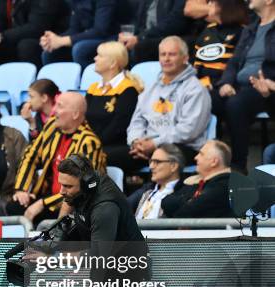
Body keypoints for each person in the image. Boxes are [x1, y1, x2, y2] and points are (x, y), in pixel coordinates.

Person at [53, 154, 148, 287]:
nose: (61, 191)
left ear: (86, 182)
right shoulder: (88, 193)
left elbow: (99, 257)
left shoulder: (105, 207)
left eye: (68, 186)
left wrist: (55, 259)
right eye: (60, 184)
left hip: (127, 268)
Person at [109, 36, 211, 173]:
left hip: (183, 148)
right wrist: (135, 142)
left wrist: (154, 144)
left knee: (114, 157)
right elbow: (137, 122)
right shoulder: (151, 88)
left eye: (172, 54)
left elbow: (188, 131)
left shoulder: (196, 89)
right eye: (163, 54)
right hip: (146, 147)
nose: (166, 59)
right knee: (101, 155)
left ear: (185, 58)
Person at [10, 92, 107, 225]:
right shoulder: (51, 126)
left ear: (75, 114)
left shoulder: (88, 142)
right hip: (47, 197)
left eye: (60, 106)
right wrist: (22, 189)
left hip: (74, 206)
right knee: (14, 206)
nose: (54, 110)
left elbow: (82, 189)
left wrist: (43, 203)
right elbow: (30, 155)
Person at [212, 0, 275, 172]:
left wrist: (271, 83)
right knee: (208, 99)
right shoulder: (250, 29)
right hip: (240, 86)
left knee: (235, 104)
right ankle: (206, 160)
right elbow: (233, 63)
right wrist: (225, 83)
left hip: (265, 87)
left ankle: (238, 166)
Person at [85, 41, 143, 156]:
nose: (95, 58)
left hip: (116, 147)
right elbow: (84, 120)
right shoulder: (93, 88)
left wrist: (94, 144)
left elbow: (119, 127)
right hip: (93, 144)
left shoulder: (128, 89)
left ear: (112, 63)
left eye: (100, 55)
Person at [161, 140, 234, 217]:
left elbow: (188, 212)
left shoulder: (225, 185)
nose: (196, 157)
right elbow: (165, 202)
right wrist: (189, 200)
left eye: (201, 154)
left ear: (214, 162)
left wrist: (188, 201)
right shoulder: (193, 181)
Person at [40, 0, 121, 69]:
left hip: (112, 38)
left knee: (80, 49)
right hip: (90, 38)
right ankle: (55, 86)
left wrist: (61, 41)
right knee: (50, 52)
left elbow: (100, 31)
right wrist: (52, 41)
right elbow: (74, 29)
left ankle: (89, 83)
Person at [192, 0, 249, 89]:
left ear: (225, 5)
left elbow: (236, 65)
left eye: (212, 1)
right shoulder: (208, 30)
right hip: (200, 85)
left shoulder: (242, 32)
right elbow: (196, 64)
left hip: (224, 86)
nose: (209, 4)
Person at [118, 0, 192, 63]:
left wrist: (140, 38)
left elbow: (174, 23)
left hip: (166, 36)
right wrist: (129, 36)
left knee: (140, 47)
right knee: (117, 48)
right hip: (144, 35)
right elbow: (136, 18)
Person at [131, 143, 185, 219]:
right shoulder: (146, 191)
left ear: (173, 166)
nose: (151, 166)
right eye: (151, 161)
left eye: (157, 162)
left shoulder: (184, 195)